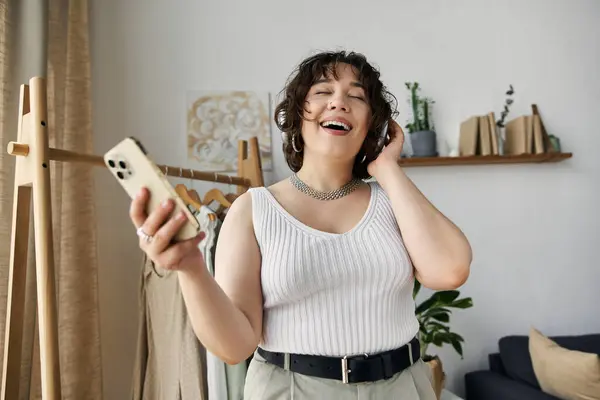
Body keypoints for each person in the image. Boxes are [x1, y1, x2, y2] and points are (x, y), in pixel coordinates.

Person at [129, 50, 472, 399]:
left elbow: (450, 271)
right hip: (290, 389)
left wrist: (387, 168)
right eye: (323, 92)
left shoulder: (392, 200)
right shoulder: (253, 209)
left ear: (371, 124)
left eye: (356, 96)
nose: (339, 102)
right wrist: (190, 268)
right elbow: (235, 347)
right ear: (298, 114)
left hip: (403, 386)